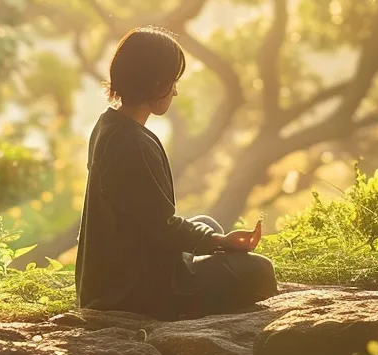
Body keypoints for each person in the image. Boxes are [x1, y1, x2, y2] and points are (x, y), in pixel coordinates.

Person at [76, 26, 279, 320]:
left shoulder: (108, 125)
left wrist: (213, 240)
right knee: (261, 271)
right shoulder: (132, 144)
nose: (175, 90)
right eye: (172, 81)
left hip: (113, 275)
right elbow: (163, 226)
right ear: (156, 82)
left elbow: (152, 221)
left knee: (207, 223)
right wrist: (219, 243)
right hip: (133, 294)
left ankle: (206, 266)